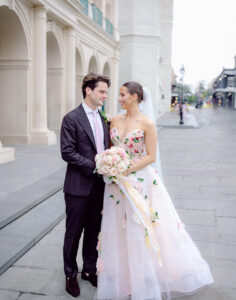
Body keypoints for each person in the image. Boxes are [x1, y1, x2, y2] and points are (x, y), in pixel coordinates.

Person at [96, 81, 214, 300]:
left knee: (138, 226)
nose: (119, 98)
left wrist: (124, 168)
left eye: (123, 95)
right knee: (117, 227)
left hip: (138, 181)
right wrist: (110, 165)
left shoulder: (147, 124)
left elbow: (150, 156)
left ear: (135, 96)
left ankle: (142, 277)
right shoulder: (113, 119)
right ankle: (124, 277)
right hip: (115, 183)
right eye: (119, 95)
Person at [60, 73, 111, 297]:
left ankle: (89, 270)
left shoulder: (103, 118)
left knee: (93, 231)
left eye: (106, 93)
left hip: (99, 187)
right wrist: (95, 165)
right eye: (101, 91)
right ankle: (70, 274)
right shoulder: (71, 118)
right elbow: (67, 152)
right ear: (88, 90)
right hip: (78, 187)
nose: (104, 96)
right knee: (73, 234)